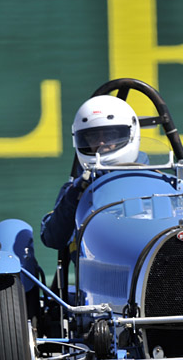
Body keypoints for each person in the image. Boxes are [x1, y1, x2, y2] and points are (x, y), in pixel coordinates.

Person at [40, 95, 148, 249]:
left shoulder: (161, 183)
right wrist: (76, 193)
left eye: (110, 136)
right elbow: (53, 239)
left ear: (130, 134)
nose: (101, 143)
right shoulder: (74, 190)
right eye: (93, 137)